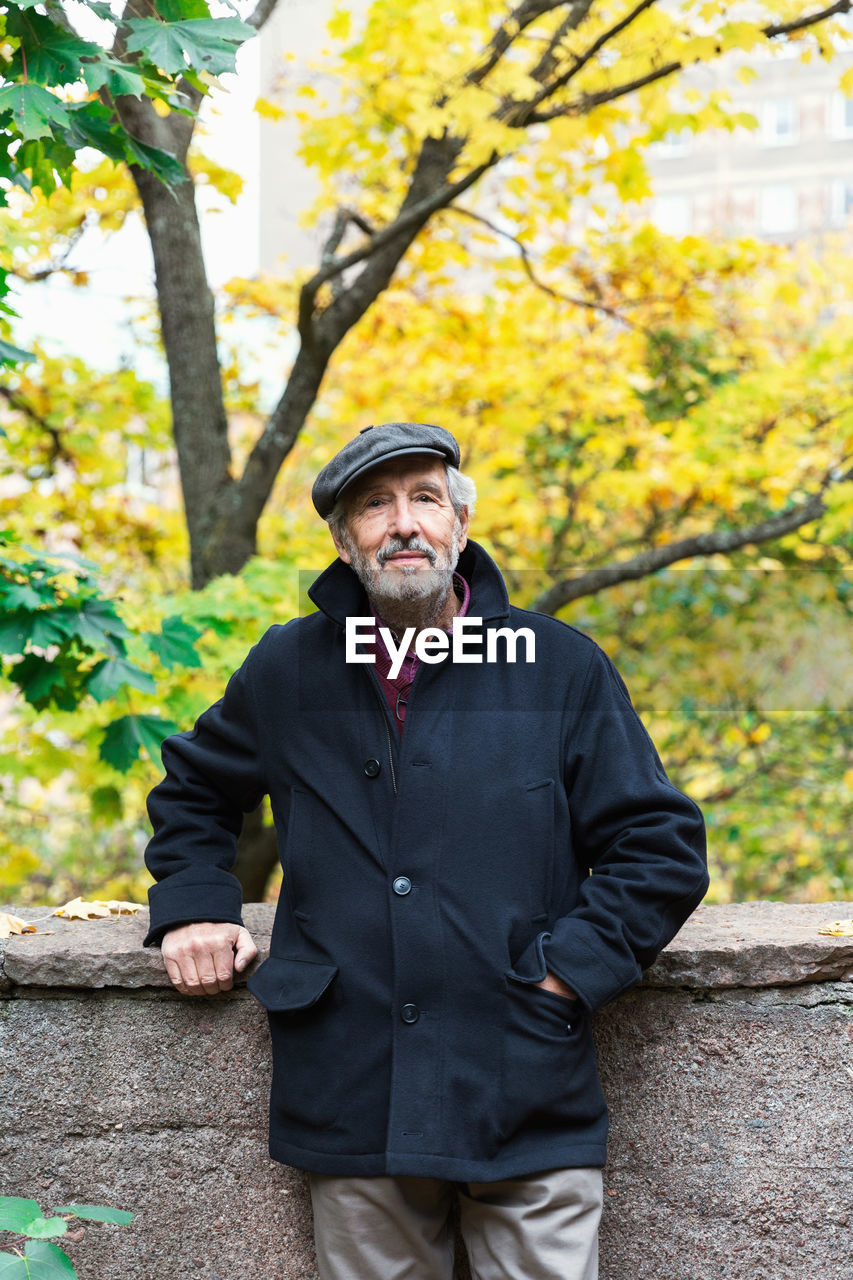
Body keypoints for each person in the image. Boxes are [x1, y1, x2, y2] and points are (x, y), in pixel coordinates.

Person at [143, 421, 708, 1280]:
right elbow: (193, 791)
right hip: (351, 1081)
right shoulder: (289, 668)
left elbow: (658, 847)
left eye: (424, 499)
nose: (402, 522)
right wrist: (193, 906)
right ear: (344, 540)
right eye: (374, 505)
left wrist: (562, 978)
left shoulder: (558, 668)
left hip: (525, 1082)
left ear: (459, 526)